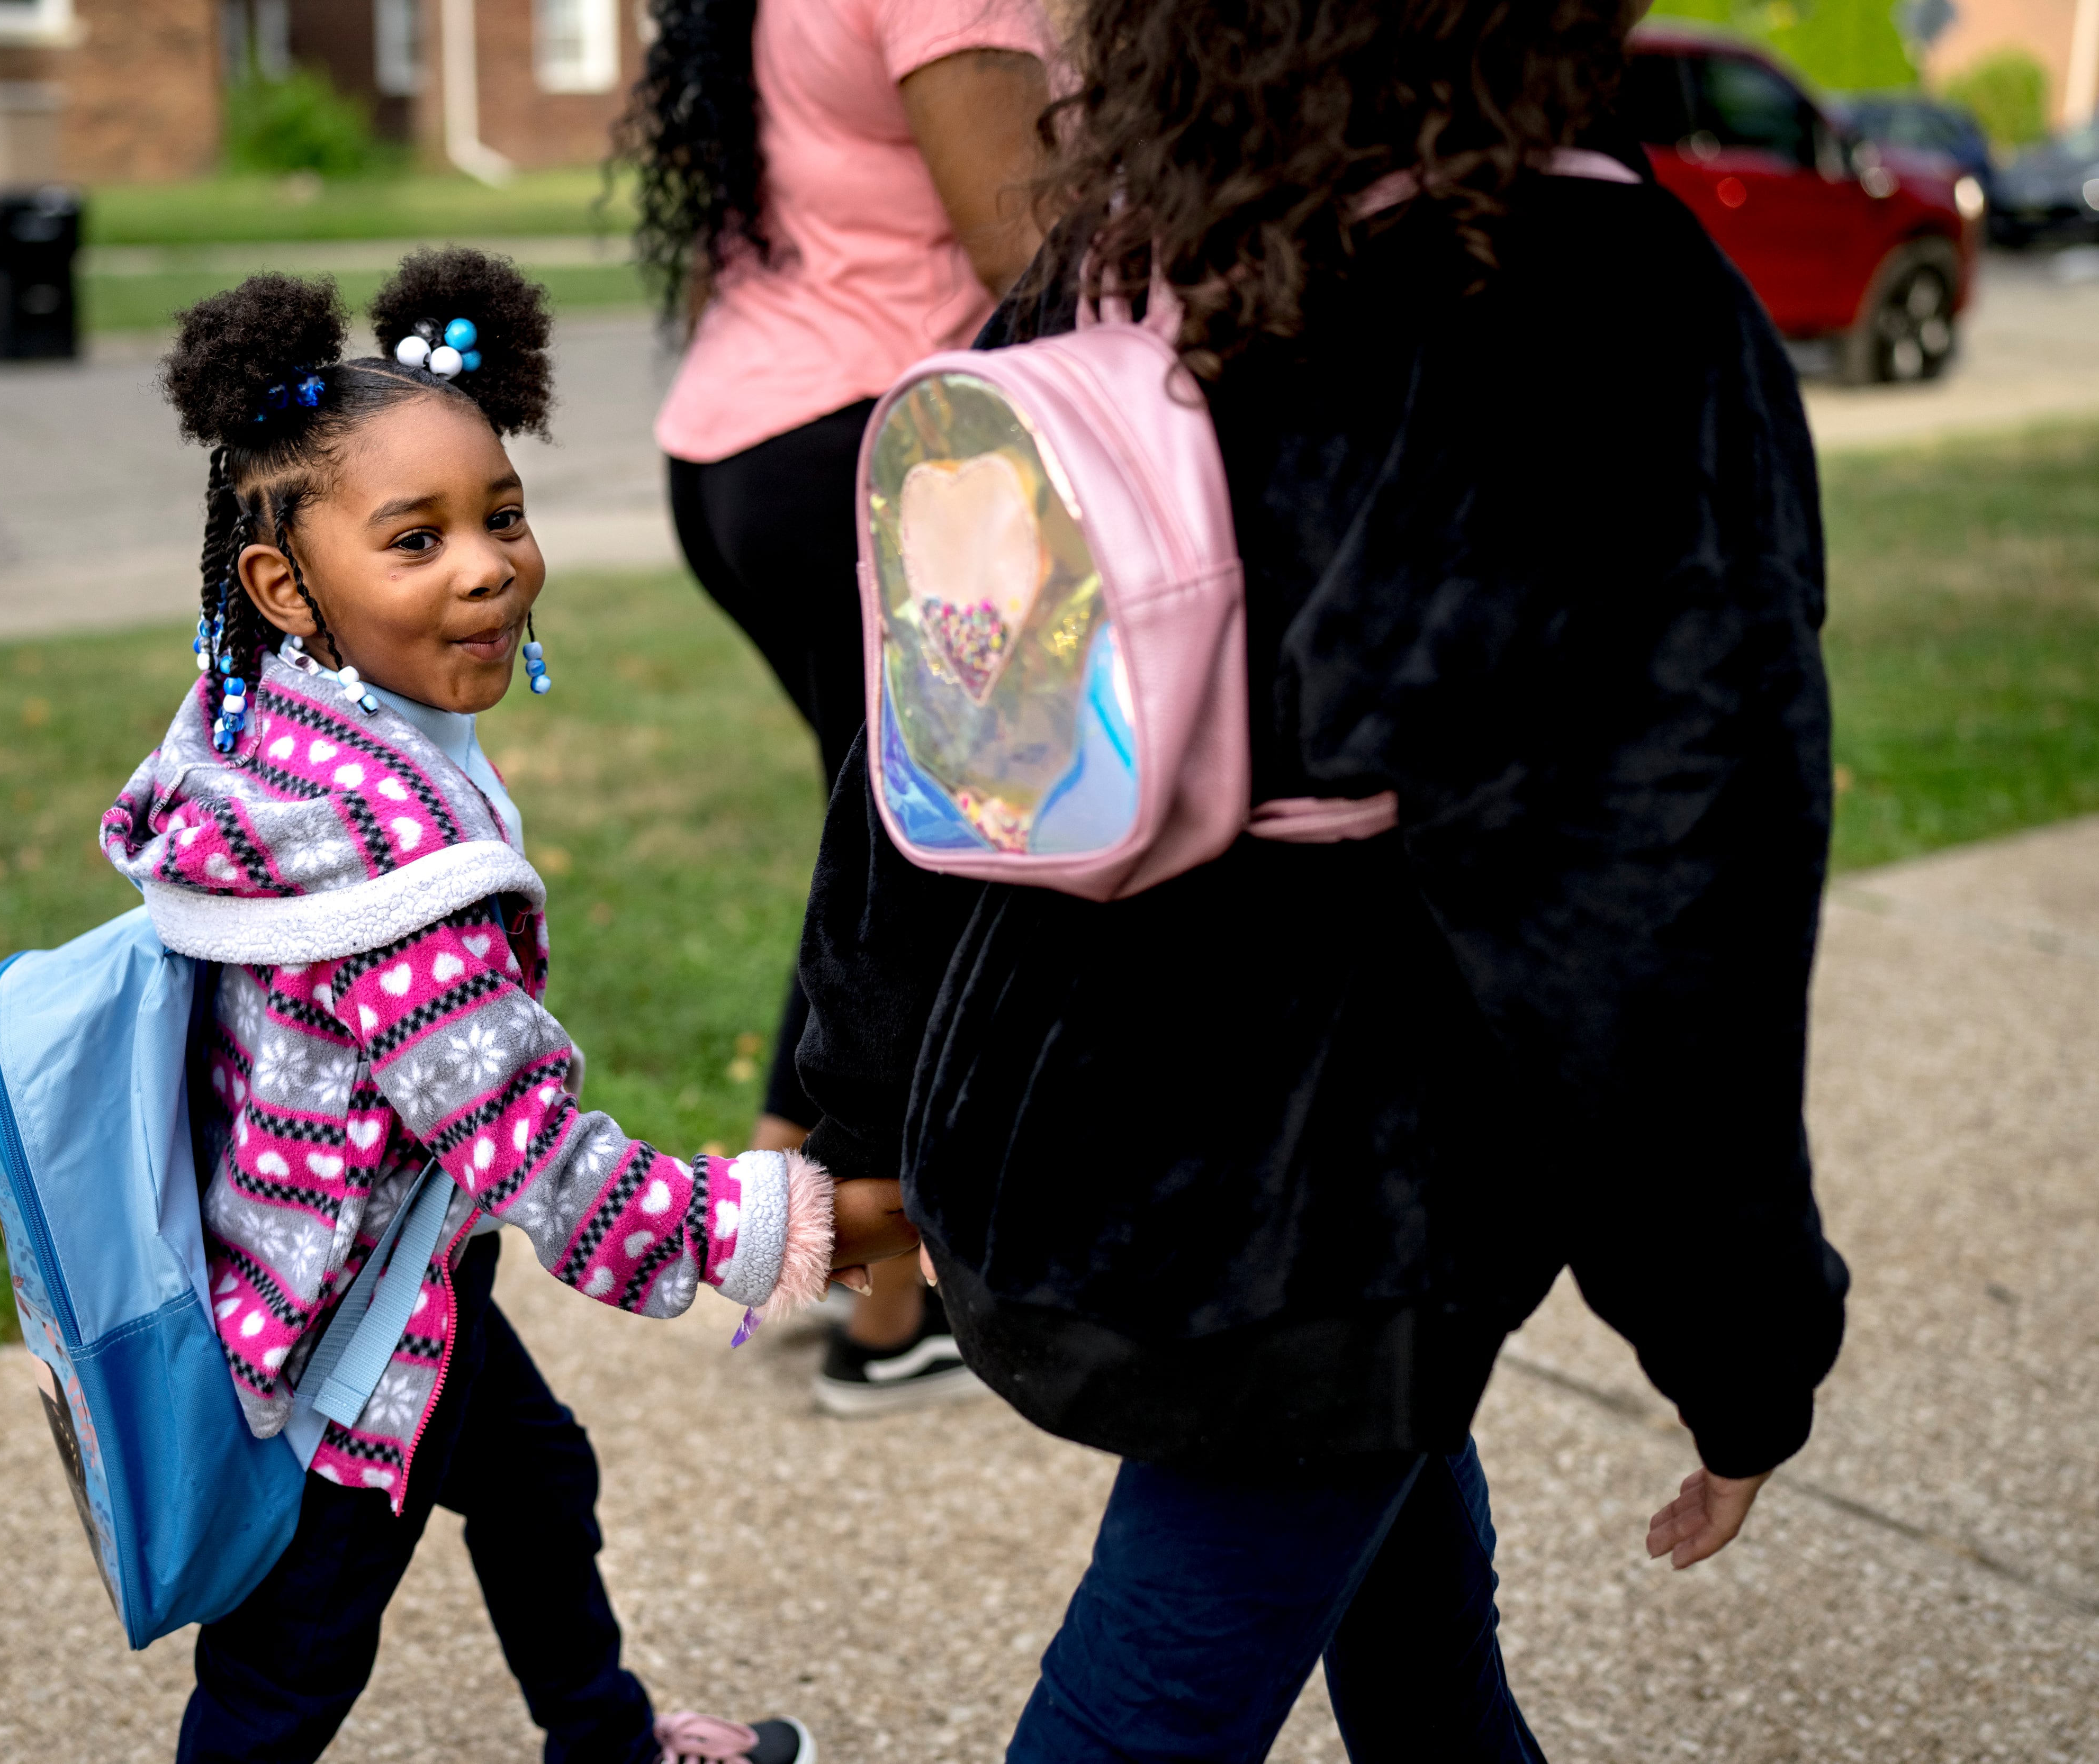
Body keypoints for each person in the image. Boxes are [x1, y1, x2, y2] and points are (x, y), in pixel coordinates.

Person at [790, 2, 1853, 1758]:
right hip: (1332, 1202)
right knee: (1151, 1703)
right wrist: (1740, 1341)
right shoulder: (1586, 290)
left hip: (1074, 1121)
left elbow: (925, 729)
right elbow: (1661, 910)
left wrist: (874, 1090)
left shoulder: (1132, 246)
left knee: (1412, 1619)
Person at [109, 250, 910, 1764]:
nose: (486, 566)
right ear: (286, 587)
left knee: (540, 1483)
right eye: (414, 540)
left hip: (387, 1270)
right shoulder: (382, 878)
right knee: (282, 1684)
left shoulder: (274, 724)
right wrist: (834, 1221)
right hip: (345, 1354)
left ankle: (604, 1742)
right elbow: (557, 1174)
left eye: (503, 516)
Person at [617, 0, 1058, 1414]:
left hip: (748, 437)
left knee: (867, 851)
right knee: (928, 872)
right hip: (871, 455)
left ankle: (794, 1243)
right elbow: (1027, 253)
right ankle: (887, 1311)